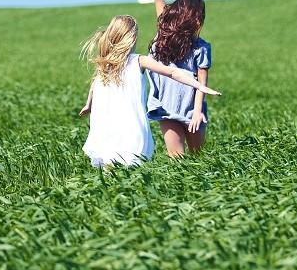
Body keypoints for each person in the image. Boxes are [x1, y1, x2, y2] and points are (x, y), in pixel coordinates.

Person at [78, 14, 220, 168]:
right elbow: (172, 72)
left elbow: (95, 83)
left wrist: (89, 103)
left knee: (109, 161)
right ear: (132, 37)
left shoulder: (106, 63)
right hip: (130, 123)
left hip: (107, 123)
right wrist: (199, 85)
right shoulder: (138, 60)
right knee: (132, 160)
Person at [130, 0, 212, 158]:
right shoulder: (163, 31)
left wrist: (197, 111)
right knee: (177, 158)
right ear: (192, 18)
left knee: (198, 156)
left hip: (191, 108)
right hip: (165, 107)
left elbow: (201, 83)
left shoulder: (201, 47)